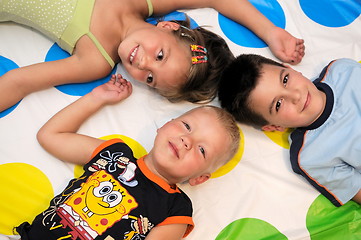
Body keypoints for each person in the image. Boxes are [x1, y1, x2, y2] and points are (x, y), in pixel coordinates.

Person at [15, 75, 240, 239]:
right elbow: (51, 136)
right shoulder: (115, 155)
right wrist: (97, 98)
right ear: (164, 125)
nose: (186, 141)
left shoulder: (176, 209)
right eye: (186, 126)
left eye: (202, 150)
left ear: (199, 178)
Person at [0, 0, 305, 111]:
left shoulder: (95, 60)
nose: (142, 63)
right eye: (160, 55)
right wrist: (271, 32)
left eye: (150, 78)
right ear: (169, 26)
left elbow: (16, 82)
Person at [218, 53, 361, 207]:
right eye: (278, 104)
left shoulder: (342, 70)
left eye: (285, 80)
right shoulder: (310, 157)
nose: (295, 96)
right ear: (274, 127)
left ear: (290, 69)